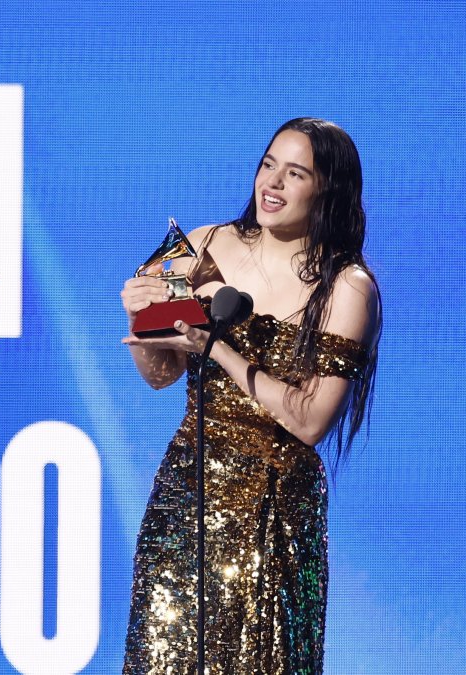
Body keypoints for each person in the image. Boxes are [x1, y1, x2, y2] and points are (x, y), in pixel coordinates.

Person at [119, 118, 380, 673]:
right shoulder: (203, 245)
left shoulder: (347, 286)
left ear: (328, 189)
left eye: (295, 173)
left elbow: (310, 422)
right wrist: (139, 313)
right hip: (187, 494)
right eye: (268, 166)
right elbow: (159, 373)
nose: (273, 184)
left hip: (275, 506)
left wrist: (217, 349)